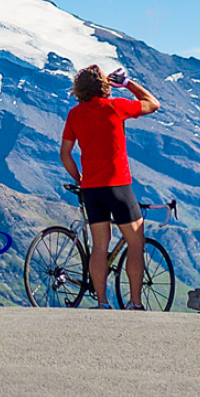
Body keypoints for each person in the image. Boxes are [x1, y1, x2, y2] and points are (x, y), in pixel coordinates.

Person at [59, 65, 160, 310]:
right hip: (118, 185)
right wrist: (127, 84)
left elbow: (65, 154)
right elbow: (153, 104)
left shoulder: (75, 114)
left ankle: (102, 302)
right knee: (136, 243)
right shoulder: (117, 106)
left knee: (99, 246)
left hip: (91, 189)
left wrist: (79, 179)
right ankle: (135, 303)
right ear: (104, 86)